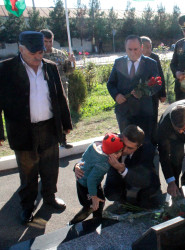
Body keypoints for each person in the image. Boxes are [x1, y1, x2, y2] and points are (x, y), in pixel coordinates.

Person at [0, 31, 73, 224]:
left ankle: (50, 197)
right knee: (28, 172)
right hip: (22, 130)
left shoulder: (50, 67)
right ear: (20, 48)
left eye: (40, 52)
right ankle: (27, 206)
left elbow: (59, 98)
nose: (37, 57)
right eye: (32, 53)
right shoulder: (5, 69)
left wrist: (65, 123)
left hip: (48, 127)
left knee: (50, 168)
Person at [75, 125, 162, 209]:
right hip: (117, 176)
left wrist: (122, 169)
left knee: (148, 195)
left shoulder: (147, 151)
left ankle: (138, 200)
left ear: (139, 146)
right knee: (111, 192)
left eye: (130, 148)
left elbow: (145, 179)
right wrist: (77, 166)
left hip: (139, 178)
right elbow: (92, 154)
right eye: (123, 144)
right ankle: (123, 200)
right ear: (121, 137)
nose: (124, 150)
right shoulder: (113, 139)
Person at [107, 35, 160, 140]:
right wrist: (116, 95)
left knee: (144, 143)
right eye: (129, 49)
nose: (132, 52)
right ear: (125, 48)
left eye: (135, 49)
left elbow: (157, 84)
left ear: (141, 47)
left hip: (143, 112)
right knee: (126, 142)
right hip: (124, 112)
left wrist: (144, 92)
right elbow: (111, 83)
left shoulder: (151, 63)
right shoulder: (118, 62)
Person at [69, 133, 124, 225]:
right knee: (90, 207)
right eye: (118, 152)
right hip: (86, 185)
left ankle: (97, 220)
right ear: (109, 153)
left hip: (86, 180)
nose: (120, 153)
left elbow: (84, 157)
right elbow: (91, 180)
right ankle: (73, 223)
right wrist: (94, 197)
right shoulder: (104, 163)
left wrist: (78, 165)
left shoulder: (94, 145)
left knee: (101, 201)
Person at [40, 29, 76, 149]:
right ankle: (49, 142)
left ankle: (63, 140)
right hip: (44, 91)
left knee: (62, 113)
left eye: (50, 41)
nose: (48, 44)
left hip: (61, 90)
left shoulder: (59, 54)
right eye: (45, 41)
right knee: (48, 115)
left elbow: (68, 71)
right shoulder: (37, 54)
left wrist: (71, 63)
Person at [140, 36, 166, 144]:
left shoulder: (154, 57)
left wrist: (162, 93)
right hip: (140, 96)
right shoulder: (135, 58)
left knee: (153, 118)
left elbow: (160, 75)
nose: (149, 50)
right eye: (146, 47)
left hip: (153, 95)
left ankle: (153, 142)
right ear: (140, 47)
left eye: (150, 47)